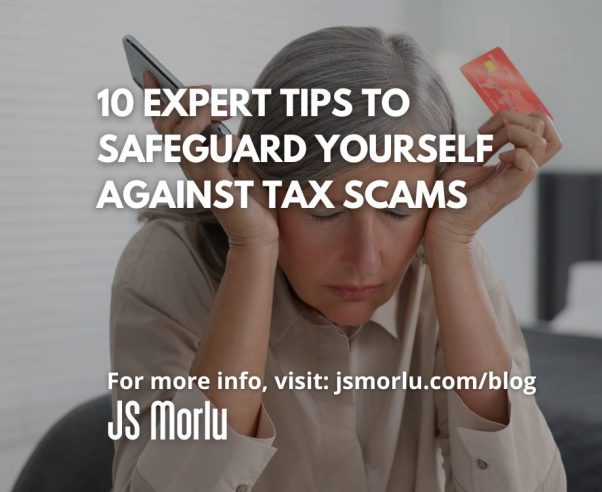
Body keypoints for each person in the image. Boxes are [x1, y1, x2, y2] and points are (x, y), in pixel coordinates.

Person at [109, 26, 566, 492]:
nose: (365, 259)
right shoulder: (168, 265)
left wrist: (451, 243)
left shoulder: (448, 253)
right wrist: (252, 247)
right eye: (325, 211)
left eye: (399, 210)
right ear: (254, 184)